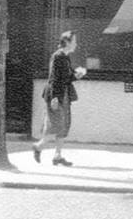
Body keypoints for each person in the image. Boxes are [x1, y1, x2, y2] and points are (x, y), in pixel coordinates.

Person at [32, 30, 86, 166]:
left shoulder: (65, 56)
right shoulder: (57, 56)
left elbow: (66, 78)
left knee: (64, 125)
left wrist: (77, 75)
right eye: (74, 41)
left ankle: (57, 156)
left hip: (64, 95)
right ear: (67, 42)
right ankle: (38, 147)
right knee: (54, 124)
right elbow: (54, 78)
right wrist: (54, 98)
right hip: (56, 95)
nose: (76, 44)